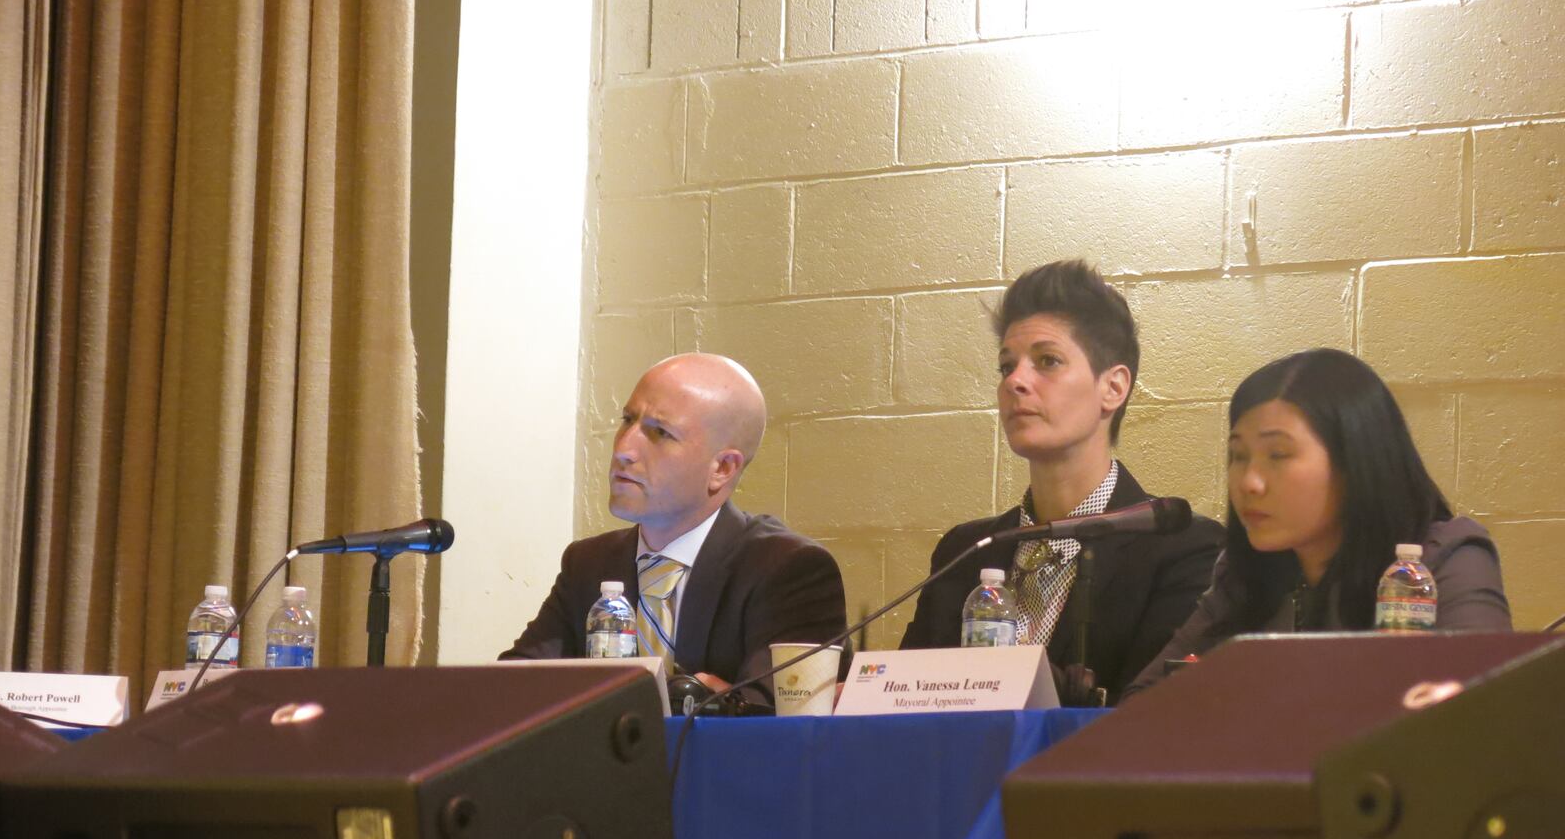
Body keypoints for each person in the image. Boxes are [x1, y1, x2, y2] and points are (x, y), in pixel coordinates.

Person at [899, 260, 1224, 704]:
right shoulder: (963, 551)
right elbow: (906, 709)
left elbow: (1152, 719)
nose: (1016, 381)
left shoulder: (1183, 547)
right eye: (1006, 366)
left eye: (1047, 361)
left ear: (1113, 387)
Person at [1124, 348, 1511, 700]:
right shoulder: (1244, 575)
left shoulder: (1444, 558)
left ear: (1355, 462)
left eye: (1278, 454)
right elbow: (1141, 706)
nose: (1248, 483)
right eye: (1238, 456)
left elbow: (1482, 712)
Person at [502, 353, 847, 703]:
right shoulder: (588, 563)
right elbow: (512, 690)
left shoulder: (787, 569)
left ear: (723, 468)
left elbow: (770, 720)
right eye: (627, 419)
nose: (623, 449)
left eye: (660, 433)